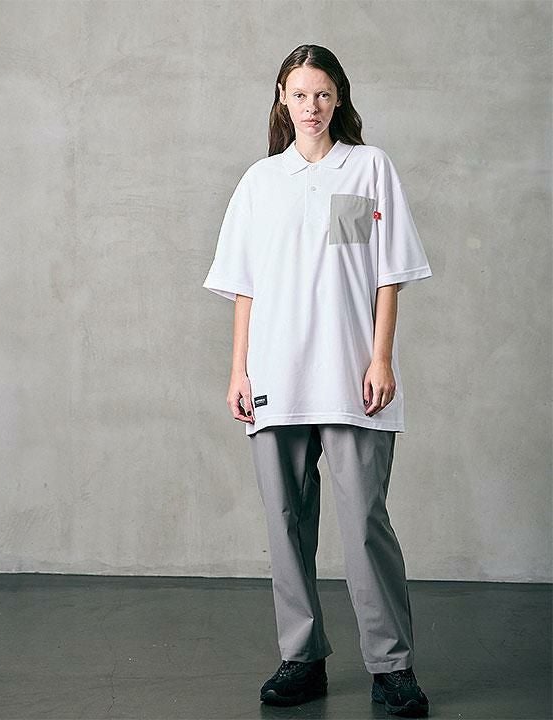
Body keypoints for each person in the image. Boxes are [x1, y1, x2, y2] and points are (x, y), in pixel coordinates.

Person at [202, 44, 431, 718]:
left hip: (350, 377)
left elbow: (386, 276)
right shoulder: (259, 182)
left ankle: (392, 667)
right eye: (300, 94)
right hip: (276, 375)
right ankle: (301, 657)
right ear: (282, 97)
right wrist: (239, 369)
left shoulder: (368, 168)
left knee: (364, 526)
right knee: (285, 524)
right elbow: (244, 287)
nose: (311, 107)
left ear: (339, 98)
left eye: (323, 94)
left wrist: (381, 358)